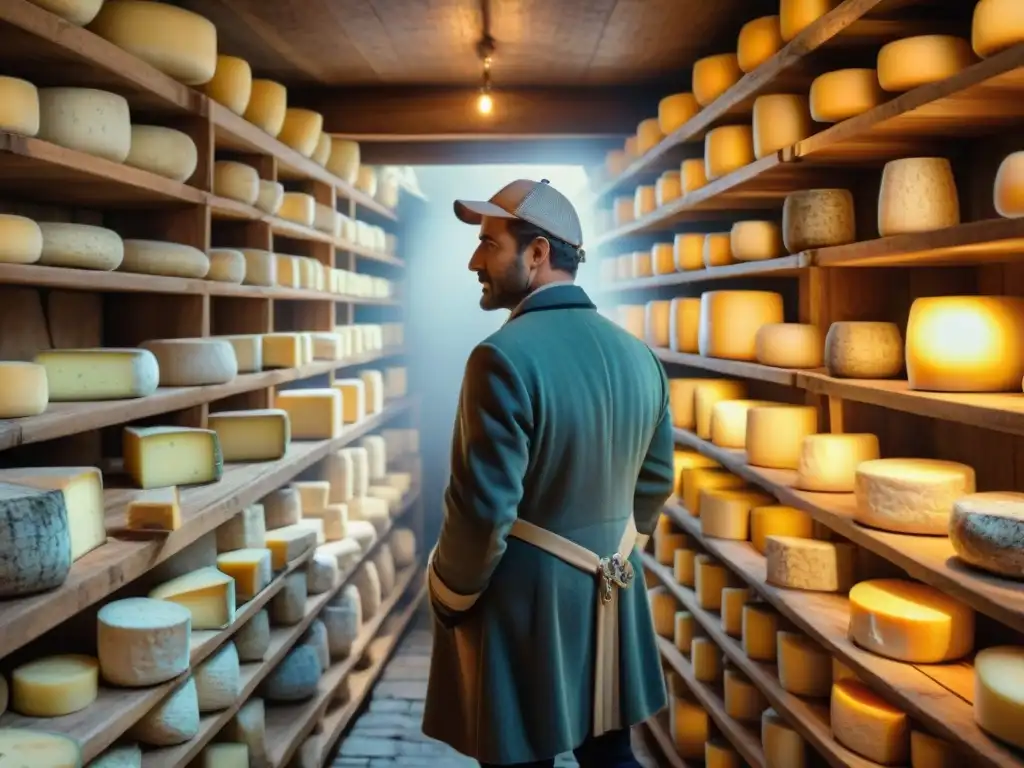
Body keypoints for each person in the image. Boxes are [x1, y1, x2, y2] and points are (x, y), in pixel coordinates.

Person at [422, 178, 674, 768]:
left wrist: (448, 592)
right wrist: (613, 551)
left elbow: (482, 512)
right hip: (611, 590)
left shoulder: (500, 357)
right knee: (611, 757)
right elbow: (655, 482)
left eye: (488, 243)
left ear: (537, 254)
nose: (473, 261)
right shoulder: (640, 354)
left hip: (524, 607)